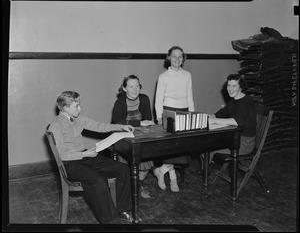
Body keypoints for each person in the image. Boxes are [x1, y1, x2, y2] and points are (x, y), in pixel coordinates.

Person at [48, 91, 135, 224]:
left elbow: (100, 126)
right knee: (98, 180)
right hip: (70, 163)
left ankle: (121, 209)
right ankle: (111, 221)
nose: (80, 108)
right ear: (65, 108)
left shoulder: (78, 119)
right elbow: (62, 155)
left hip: (85, 156)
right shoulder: (56, 125)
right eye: (76, 106)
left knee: (122, 168)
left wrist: (122, 127)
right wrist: (84, 154)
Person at [154, 46, 195, 192]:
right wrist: (160, 117)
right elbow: (158, 100)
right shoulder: (163, 77)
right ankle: (173, 178)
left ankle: (161, 171)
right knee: (171, 148)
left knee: (183, 148)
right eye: (174, 56)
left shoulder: (187, 75)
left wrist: (192, 114)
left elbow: (190, 97)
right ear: (169, 58)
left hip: (184, 113)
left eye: (180, 57)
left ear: (183, 59)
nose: (177, 59)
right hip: (168, 114)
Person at [112, 75, 155, 199]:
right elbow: (118, 123)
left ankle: (138, 184)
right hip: (123, 135)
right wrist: (139, 123)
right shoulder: (120, 102)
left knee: (147, 158)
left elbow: (148, 121)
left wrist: (142, 126)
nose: (135, 89)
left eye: (137, 86)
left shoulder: (144, 99)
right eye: (131, 86)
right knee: (127, 160)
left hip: (140, 134)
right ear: (124, 89)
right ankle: (128, 187)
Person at [209, 74, 257, 162]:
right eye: (229, 85)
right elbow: (218, 114)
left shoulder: (247, 101)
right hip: (234, 139)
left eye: (234, 86)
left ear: (241, 87)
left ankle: (207, 174)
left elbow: (237, 121)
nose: (230, 89)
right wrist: (203, 117)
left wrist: (212, 121)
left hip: (244, 144)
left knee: (209, 151)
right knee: (207, 145)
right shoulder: (233, 101)